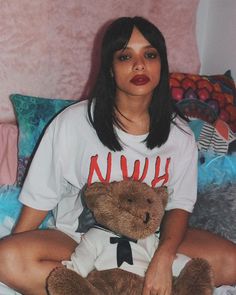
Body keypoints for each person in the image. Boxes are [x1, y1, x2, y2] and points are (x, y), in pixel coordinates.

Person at [0, 16, 235, 295]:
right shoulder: (73, 124)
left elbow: (179, 206)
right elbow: (40, 198)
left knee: (232, 262)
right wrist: (17, 250)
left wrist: (163, 259)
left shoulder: (180, 136)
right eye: (125, 56)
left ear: (162, 65)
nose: (139, 64)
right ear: (110, 69)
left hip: (153, 242)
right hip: (81, 241)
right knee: (7, 258)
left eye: (150, 54)